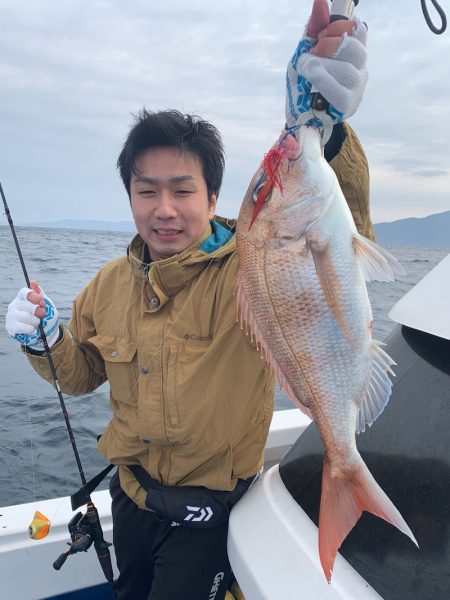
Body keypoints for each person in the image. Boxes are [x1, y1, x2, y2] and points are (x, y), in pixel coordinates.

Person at [5, 1, 372, 598]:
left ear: (213, 194)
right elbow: (81, 374)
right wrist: (44, 340)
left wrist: (325, 132)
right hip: (131, 500)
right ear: (129, 195)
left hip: (209, 512)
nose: (164, 208)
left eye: (182, 189)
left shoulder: (251, 267)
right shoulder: (106, 284)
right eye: (146, 190)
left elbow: (334, 253)